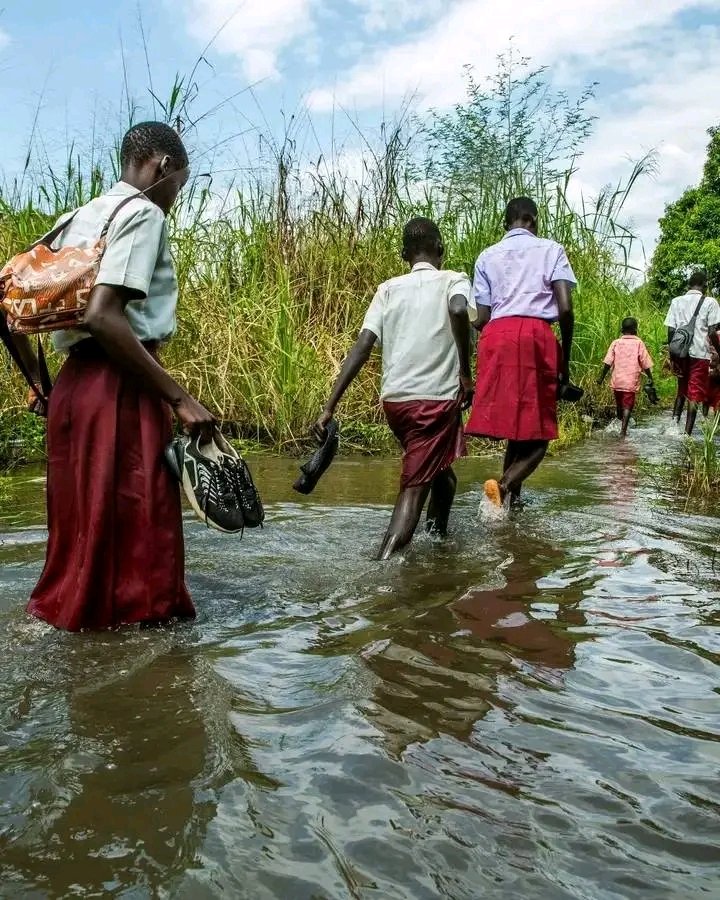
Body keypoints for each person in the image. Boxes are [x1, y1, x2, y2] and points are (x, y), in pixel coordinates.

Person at [27, 122, 215, 631]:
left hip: (73, 391)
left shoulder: (75, 218)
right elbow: (102, 315)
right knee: (139, 515)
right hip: (122, 387)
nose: (176, 196)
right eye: (180, 183)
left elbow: (13, 309)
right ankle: (136, 634)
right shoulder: (143, 212)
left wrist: (42, 384)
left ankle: (72, 617)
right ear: (162, 166)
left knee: (82, 521)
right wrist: (179, 399)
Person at [314, 217, 473, 559]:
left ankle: (438, 544)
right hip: (433, 404)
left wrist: (331, 405)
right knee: (413, 491)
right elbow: (460, 309)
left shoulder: (387, 289)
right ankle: (383, 565)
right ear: (441, 249)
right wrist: (465, 372)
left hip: (396, 405)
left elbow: (363, 344)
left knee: (444, 478)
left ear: (404, 254)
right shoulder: (453, 280)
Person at [465, 197, 576, 506]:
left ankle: (511, 504)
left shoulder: (486, 256)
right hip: (534, 336)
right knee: (539, 435)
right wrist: (564, 356)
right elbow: (565, 308)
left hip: (496, 336)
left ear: (506, 223)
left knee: (518, 428)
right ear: (534, 220)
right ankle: (503, 487)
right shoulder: (551, 250)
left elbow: (482, 318)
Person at [665, 270, 720, 435]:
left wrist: (673, 353)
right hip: (699, 354)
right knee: (695, 394)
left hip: (679, 353)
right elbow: (711, 332)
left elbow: (670, 330)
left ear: (689, 284)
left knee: (681, 389)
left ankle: (673, 425)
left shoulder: (676, 301)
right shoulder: (710, 302)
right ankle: (687, 434)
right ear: (705, 285)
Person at [598, 317, 654, 438]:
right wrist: (650, 377)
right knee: (627, 406)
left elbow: (608, 362)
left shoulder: (616, 343)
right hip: (630, 382)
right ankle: (623, 431)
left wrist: (601, 378)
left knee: (619, 405)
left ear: (622, 330)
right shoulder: (639, 343)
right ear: (636, 330)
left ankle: (618, 425)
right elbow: (645, 362)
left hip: (617, 381)